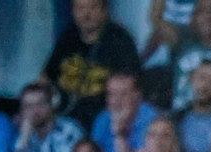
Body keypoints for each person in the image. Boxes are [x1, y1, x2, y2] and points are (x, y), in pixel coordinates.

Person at [44, 0, 142, 130]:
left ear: (104, 11)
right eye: (80, 8)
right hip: (64, 117)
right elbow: (46, 76)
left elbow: (129, 83)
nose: (86, 14)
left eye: (92, 8)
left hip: (104, 119)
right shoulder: (68, 37)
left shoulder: (119, 40)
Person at [6, 81, 85, 152]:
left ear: (51, 105)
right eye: (28, 106)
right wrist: (23, 141)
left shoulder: (67, 130)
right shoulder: (24, 135)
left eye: (40, 104)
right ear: (22, 110)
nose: (35, 111)